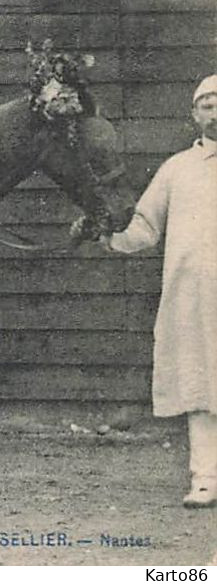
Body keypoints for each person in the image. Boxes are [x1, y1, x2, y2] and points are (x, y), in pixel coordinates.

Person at [104, 73, 217, 508]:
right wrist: (108, 236)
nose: (214, 111)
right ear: (194, 115)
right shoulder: (177, 169)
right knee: (201, 383)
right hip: (195, 297)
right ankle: (205, 478)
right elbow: (144, 227)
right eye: (205, 105)